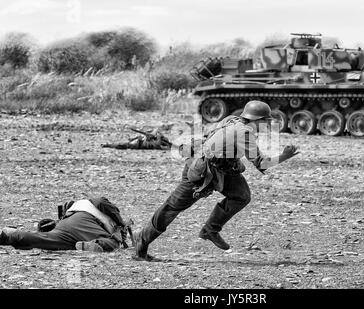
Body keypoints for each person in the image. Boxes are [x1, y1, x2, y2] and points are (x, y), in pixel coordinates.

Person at [134, 100, 298, 261]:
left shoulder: (231, 120)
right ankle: (142, 240)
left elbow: (210, 136)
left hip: (223, 169)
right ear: (257, 120)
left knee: (241, 196)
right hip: (202, 172)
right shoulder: (245, 133)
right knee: (173, 207)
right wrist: (285, 156)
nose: (267, 124)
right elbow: (262, 163)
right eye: (265, 121)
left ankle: (210, 230)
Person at [0, 197, 129, 252]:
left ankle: (9, 236)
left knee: (42, 240)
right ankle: (94, 245)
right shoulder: (103, 208)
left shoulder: (76, 207)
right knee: (113, 243)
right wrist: (121, 224)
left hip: (66, 228)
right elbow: (101, 201)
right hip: (90, 229)